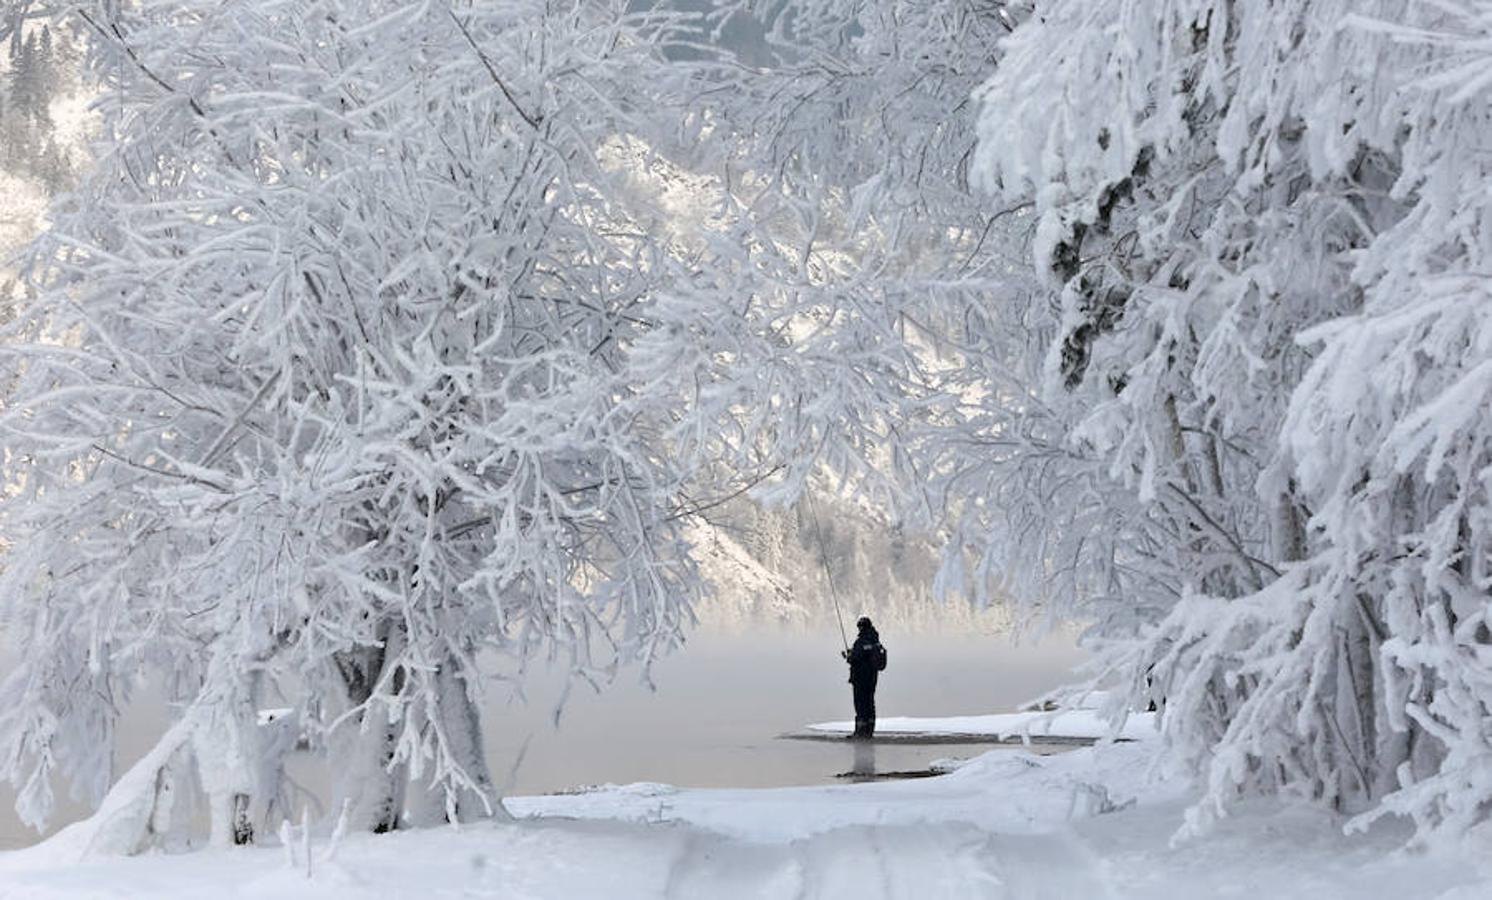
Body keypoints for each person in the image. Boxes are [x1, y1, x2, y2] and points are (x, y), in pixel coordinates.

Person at [841, 616, 887, 739]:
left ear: (861, 627)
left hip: (861, 678)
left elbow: (855, 658)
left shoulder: (861, 641)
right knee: (870, 703)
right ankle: (869, 731)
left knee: (860, 704)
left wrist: (848, 656)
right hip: (872, 678)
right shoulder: (875, 641)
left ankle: (860, 732)